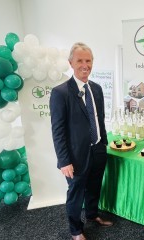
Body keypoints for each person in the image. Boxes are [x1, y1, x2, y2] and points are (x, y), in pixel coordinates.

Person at [50, 42, 113, 240]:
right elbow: (57, 130)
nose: (85, 65)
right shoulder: (60, 92)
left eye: (88, 60)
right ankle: (76, 230)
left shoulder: (97, 88)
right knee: (76, 194)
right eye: (80, 61)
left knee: (94, 186)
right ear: (71, 63)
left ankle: (92, 215)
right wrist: (64, 161)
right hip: (75, 156)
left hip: (98, 149)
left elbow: (98, 117)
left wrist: (103, 142)